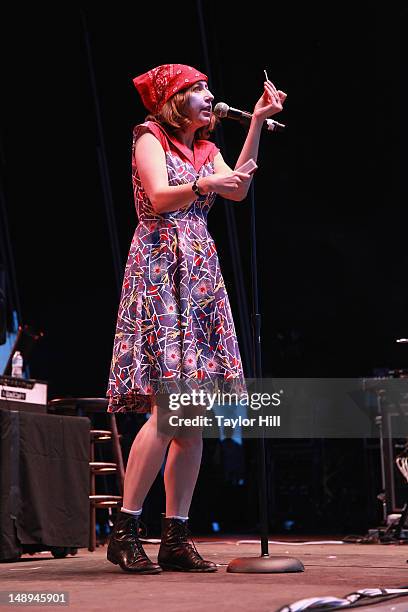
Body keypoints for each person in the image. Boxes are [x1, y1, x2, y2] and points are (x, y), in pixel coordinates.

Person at [106, 63, 286, 574]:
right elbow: (161, 198)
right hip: (162, 267)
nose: (209, 96)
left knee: (192, 418)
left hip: (200, 273)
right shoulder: (149, 137)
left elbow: (237, 188)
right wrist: (209, 182)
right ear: (173, 99)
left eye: (208, 88)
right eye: (197, 89)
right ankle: (125, 529)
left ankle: (175, 535)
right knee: (168, 408)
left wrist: (255, 125)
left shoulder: (206, 149)